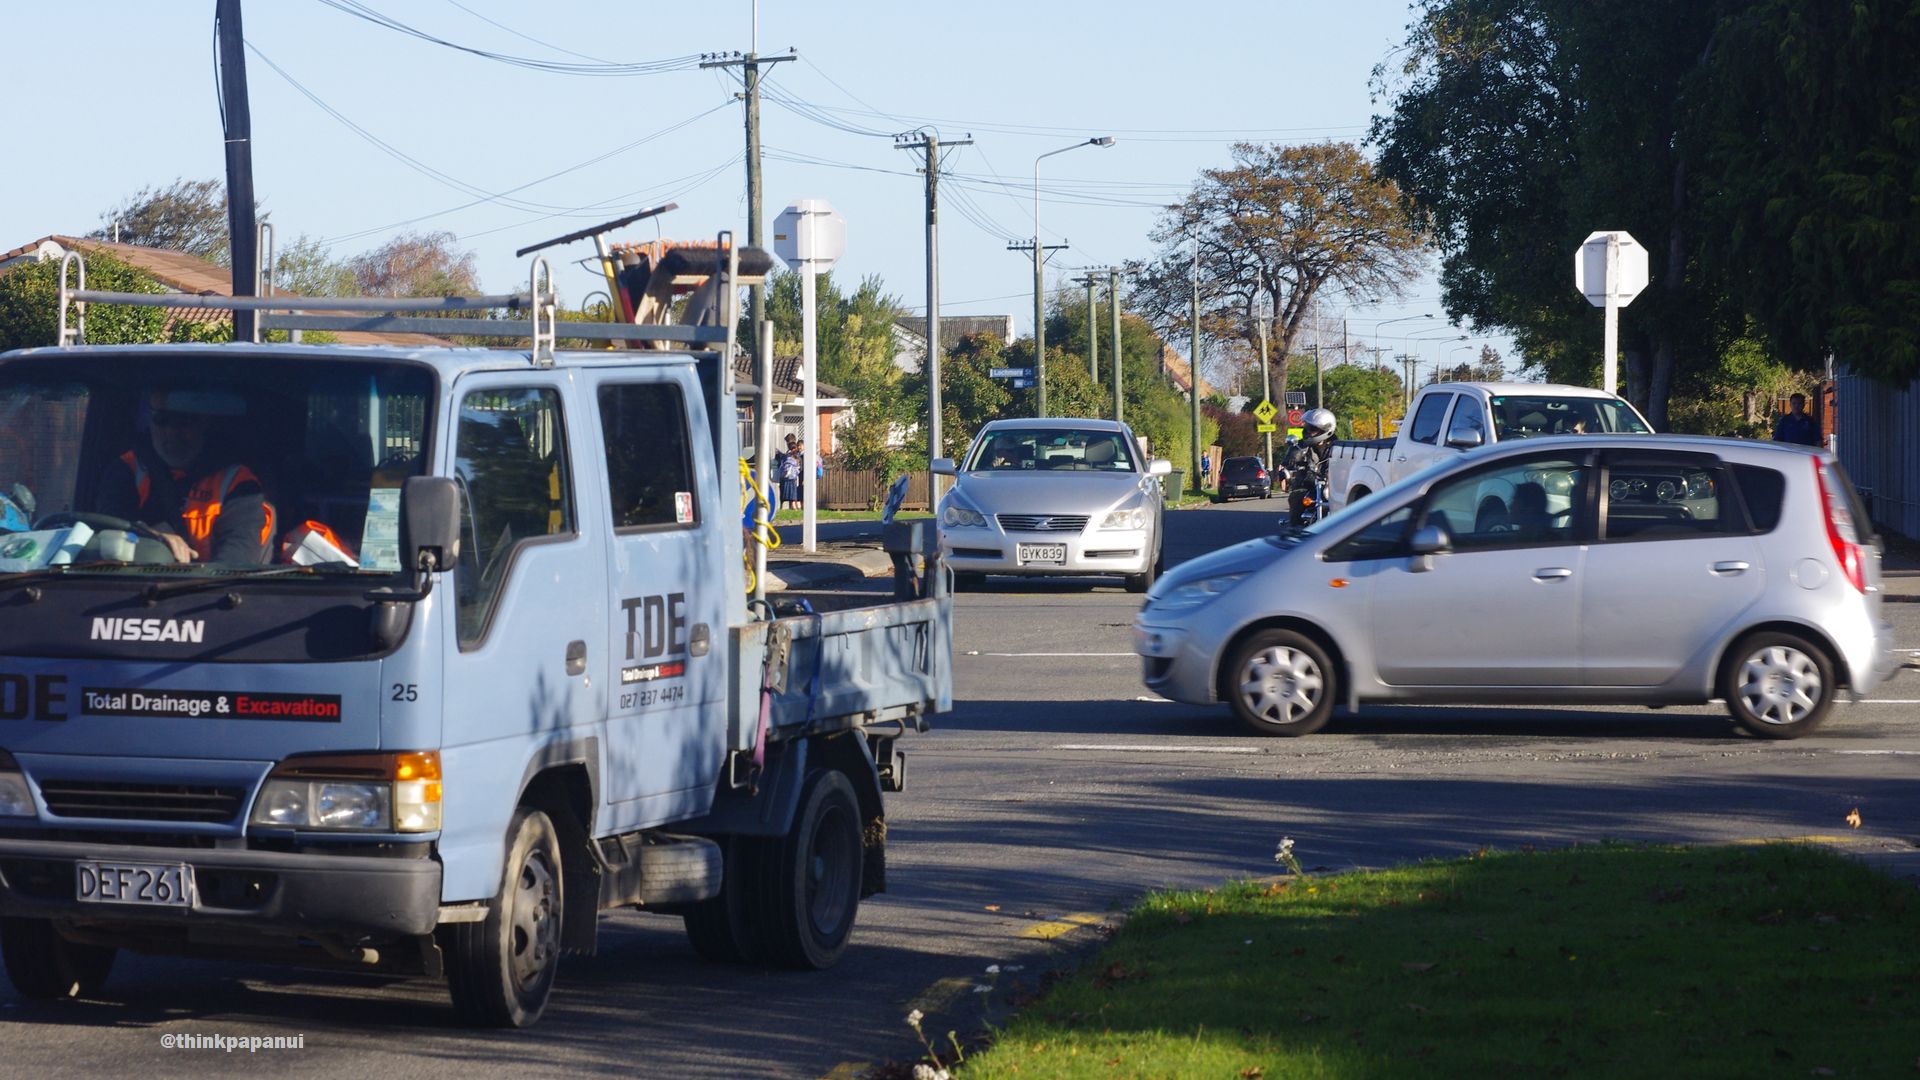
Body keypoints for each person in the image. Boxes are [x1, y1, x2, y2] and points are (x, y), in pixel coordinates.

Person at [94, 387, 274, 564]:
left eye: (184, 421)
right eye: (161, 419)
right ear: (149, 421)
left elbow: (235, 561)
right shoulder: (127, 468)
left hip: (212, 590)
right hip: (126, 587)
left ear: (205, 423)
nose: (172, 432)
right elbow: (108, 523)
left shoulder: (239, 484)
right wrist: (149, 535)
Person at [780, 438, 803, 510]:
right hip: (792, 478)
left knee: (790, 494)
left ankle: (792, 506)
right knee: (792, 494)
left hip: (789, 478)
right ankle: (793, 506)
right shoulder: (795, 456)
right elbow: (799, 467)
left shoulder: (788, 456)